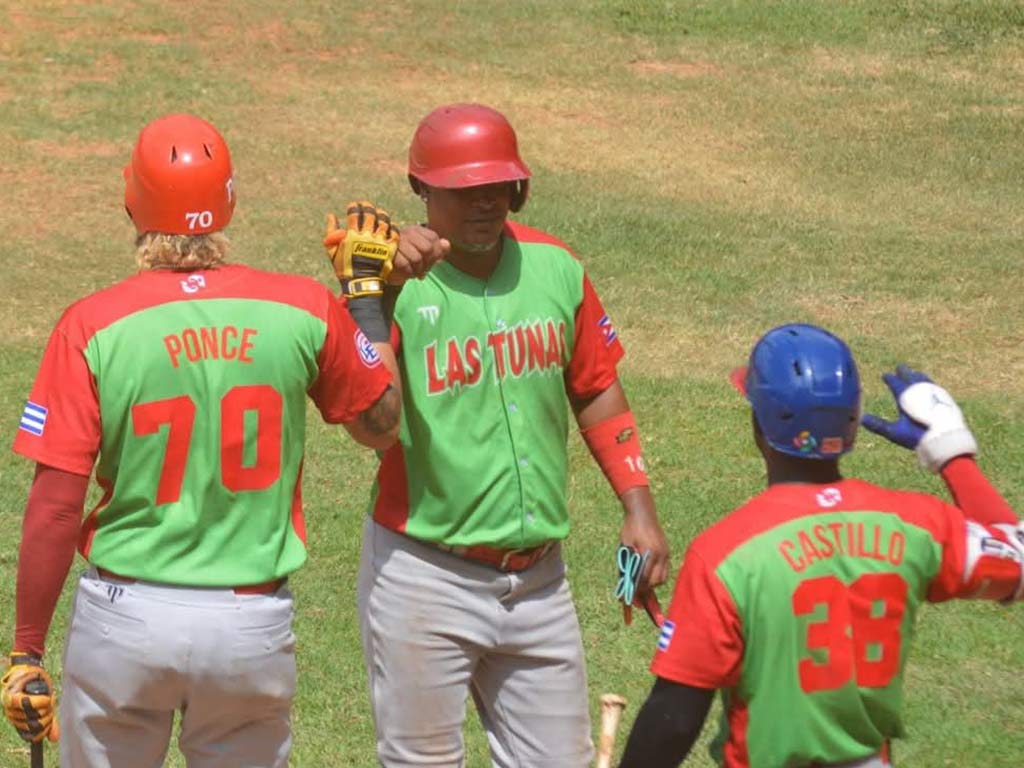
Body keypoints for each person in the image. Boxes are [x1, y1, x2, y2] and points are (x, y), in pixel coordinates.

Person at [2, 113, 407, 767]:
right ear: (229, 203)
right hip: (249, 630)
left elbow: (55, 503)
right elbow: (381, 426)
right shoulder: (301, 307)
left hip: (124, 624)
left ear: (130, 200)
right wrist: (364, 296)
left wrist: (26, 648)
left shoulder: (91, 325)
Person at [333, 102, 672, 767]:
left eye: (498, 187)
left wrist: (638, 506)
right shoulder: (393, 289)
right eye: (464, 190)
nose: (485, 204)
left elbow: (595, 385)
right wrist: (373, 297)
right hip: (424, 575)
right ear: (421, 189)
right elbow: (373, 430)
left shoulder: (556, 267)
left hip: (540, 580)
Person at [617, 323, 1023, 768]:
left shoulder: (726, 556)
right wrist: (951, 450)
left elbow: (674, 718)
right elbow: (1016, 560)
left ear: (759, 424)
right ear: (852, 421)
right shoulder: (917, 525)